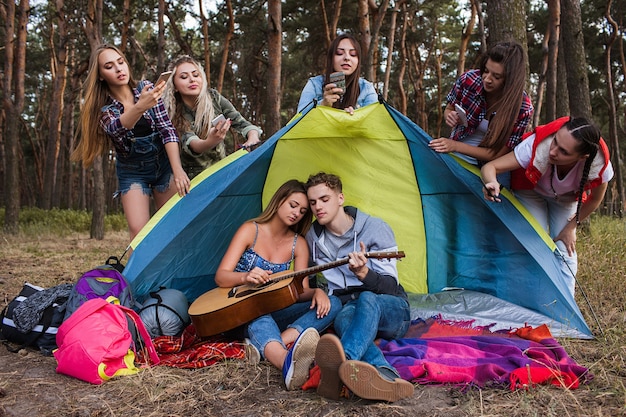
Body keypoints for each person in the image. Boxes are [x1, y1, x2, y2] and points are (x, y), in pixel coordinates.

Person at [215, 179, 342, 391]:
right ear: (279, 200)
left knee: (334, 302)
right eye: (293, 205)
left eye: (302, 211)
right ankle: (286, 361)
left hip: (274, 309)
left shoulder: (298, 244)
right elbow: (221, 276)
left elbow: (299, 292)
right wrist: (246, 277)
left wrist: (317, 292)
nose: (297, 214)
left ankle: (270, 343)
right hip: (239, 311)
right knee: (258, 312)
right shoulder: (250, 230)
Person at [305, 172, 414, 402]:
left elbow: (390, 287)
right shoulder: (313, 237)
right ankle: (387, 378)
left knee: (367, 298)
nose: (318, 207)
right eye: (313, 202)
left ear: (341, 198)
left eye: (324, 199)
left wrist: (363, 273)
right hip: (351, 308)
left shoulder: (375, 228)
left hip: (391, 308)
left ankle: (339, 366)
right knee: (344, 319)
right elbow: (311, 280)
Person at [481, 117, 614, 295]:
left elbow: (595, 200)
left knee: (565, 250)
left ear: (582, 157)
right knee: (536, 242)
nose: (553, 152)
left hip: (566, 198)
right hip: (531, 191)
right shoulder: (535, 146)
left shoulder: (599, 167)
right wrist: (491, 182)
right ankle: (533, 298)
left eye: (564, 152)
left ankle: (565, 311)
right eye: (555, 142)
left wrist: (571, 226)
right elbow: (490, 167)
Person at [71, 44, 190, 241]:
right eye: (109, 66)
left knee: (172, 225)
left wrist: (178, 170)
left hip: (164, 166)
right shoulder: (104, 110)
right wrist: (141, 106)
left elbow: (167, 130)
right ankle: (137, 273)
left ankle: (172, 272)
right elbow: (118, 128)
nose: (119, 69)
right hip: (133, 172)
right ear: (100, 75)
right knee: (139, 232)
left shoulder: (146, 89)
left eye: (121, 62)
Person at [429, 41, 534, 170]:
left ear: (510, 80)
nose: (487, 79)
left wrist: (455, 146)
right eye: (486, 71)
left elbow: (498, 154)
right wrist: (450, 116)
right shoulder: (469, 80)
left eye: (496, 77)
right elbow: (449, 108)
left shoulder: (523, 108)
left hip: (491, 169)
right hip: (454, 157)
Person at [163, 55, 262, 179]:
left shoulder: (214, 97)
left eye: (196, 75)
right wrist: (210, 142)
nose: (192, 80)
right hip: (193, 179)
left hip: (222, 172)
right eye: (184, 77)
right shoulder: (174, 112)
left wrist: (252, 138)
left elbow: (243, 123)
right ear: (175, 86)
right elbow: (192, 144)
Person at [297, 33, 378, 115]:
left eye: (353, 54)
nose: (347, 58)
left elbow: (375, 122)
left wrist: (355, 118)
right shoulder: (315, 85)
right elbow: (298, 121)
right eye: (339, 53)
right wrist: (323, 105)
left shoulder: (366, 88)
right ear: (331, 58)